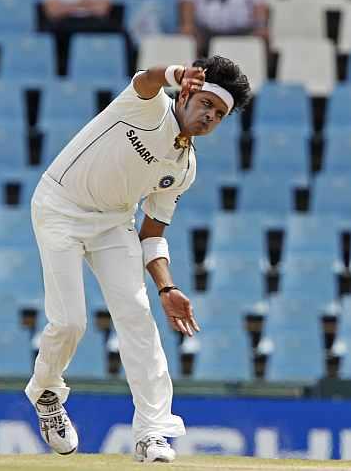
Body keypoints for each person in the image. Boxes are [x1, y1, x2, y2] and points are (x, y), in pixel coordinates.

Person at [25, 55, 251, 463]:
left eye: (219, 114)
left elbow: (152, 233)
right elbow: (146, 80)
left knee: (138, 319)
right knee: (71, 321)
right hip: (60, 207)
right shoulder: (148, 107)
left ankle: (153, 433)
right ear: (186, 93)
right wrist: (174, 74)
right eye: (205, 104)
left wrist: (167, 286)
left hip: (114, 224)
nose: (209, 116)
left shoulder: (184, 168)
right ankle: (46, 391)